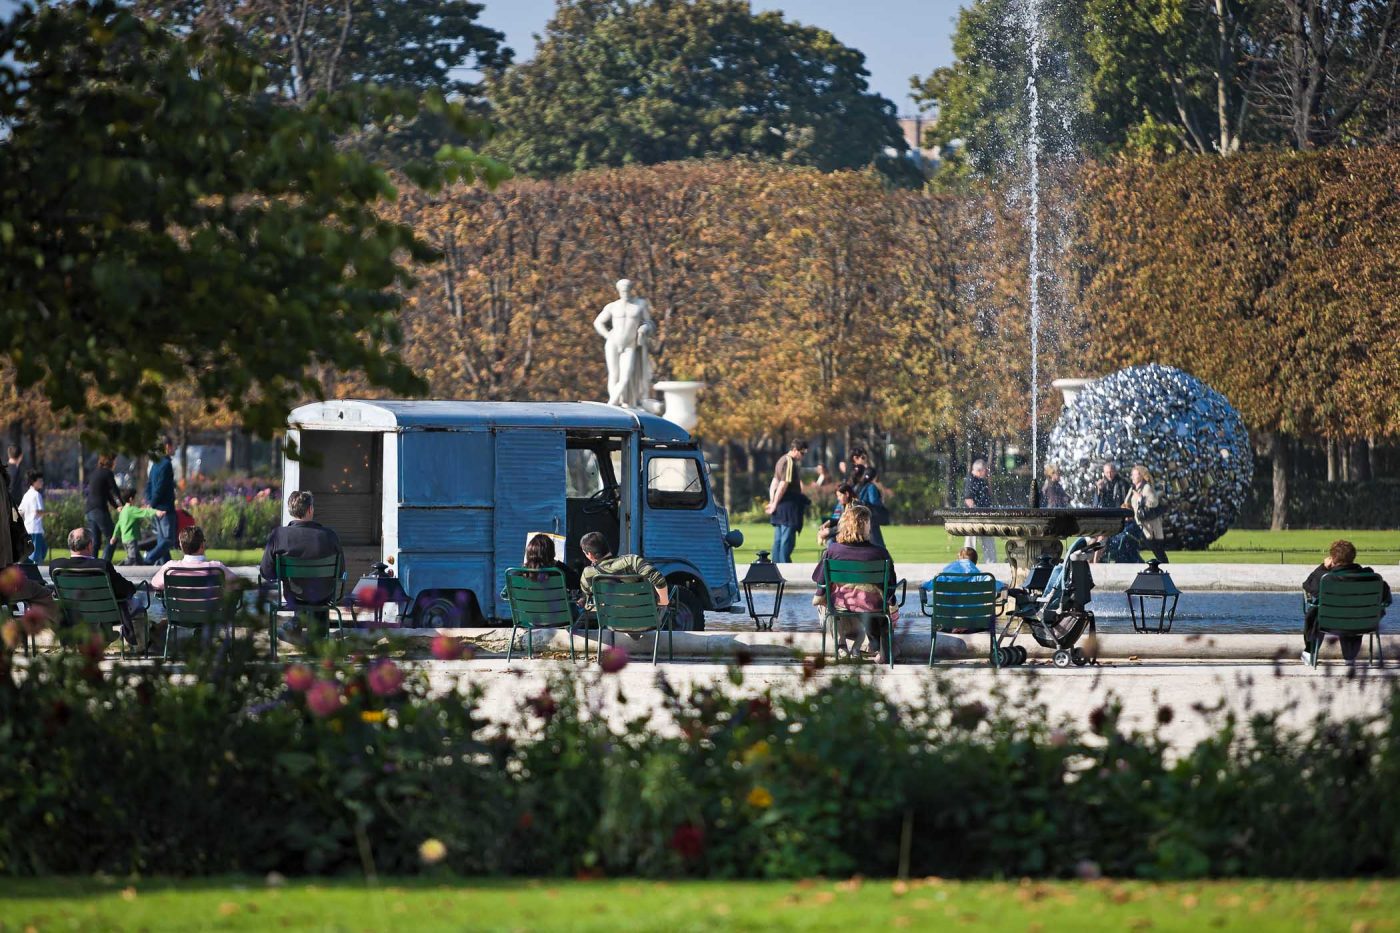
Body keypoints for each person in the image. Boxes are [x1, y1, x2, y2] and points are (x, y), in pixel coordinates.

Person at [812, 504, 899, 660]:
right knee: (869, 599)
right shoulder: (880, 553)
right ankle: (862, 645)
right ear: (865, 525)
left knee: (823, 602)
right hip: (872, 608)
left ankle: (841, 645)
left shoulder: (832, 551)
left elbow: (819, 581)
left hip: (841, 607)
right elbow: (891, 585)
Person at [260, 491, 345, 631]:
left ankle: (297, 623)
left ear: (290, 511)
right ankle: (318, 635)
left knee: (300, 589)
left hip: (294, 595)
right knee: (317, 592)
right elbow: (341, 572)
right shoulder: (330, 535)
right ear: (310, 509)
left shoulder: (278, 535)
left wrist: (283, 577)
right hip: (323, 596)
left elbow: (266, 572)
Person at [1301, 540, 1392, 666]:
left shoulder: (1327, 579)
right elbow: (1387, 600)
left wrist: (1323, 567)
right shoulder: (1372, 578)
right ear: (1353, 557)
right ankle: (1349, 657)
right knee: (1354, 611)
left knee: (1316, 610)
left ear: (1332, 558)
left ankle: (1310, 652)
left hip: (1329, 622)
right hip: (1363, 623)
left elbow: (1308, 586)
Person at [50, 527, 142, 646]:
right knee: (138, 604)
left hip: (73, 615)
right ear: (90, 545)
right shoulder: (102, 566)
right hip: (106, 615)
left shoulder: (56, 567)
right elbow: (124, 589)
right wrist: (132, 588)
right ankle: (139, 647)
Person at [577, 531, 669, 615]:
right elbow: (658, 578)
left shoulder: (588, 573)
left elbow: (586, 597)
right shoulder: (631, 561)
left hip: (612, 623)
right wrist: (664, 601)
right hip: (645, 621)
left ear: (589, 554)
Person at [764, 439, 810, 563]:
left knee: (778, 540)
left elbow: (774, 482)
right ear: (794, 450)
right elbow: (783, 484)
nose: (803, 456)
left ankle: (775, 569)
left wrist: (773, 501)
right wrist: (773, 503)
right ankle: (785, 569)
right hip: (788, 506)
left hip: (780, 506)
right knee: (787, 540)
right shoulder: (789, 461)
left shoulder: (781, 460)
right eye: (802, 453)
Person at [151, 525, 238, 590]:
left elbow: (155, 584)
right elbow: (237, 583)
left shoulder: (170, 568)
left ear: (181, 546)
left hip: (180, 613)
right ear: (202, 545)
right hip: (211, 613)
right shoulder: (217, 568)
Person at [1123, 464, 1168, 564]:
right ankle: (1137, 564)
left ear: (1140, 476)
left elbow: (1154, 502)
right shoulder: (1133, 489)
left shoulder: (1146, 488)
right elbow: (1128, 503)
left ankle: (1165, 568)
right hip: (1137, 523)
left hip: (1149, 526)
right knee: (1129, 544)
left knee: (1157, 550)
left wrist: (1141, 499)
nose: (1132, 477)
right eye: (1132, 475)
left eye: (1134, 475)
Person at [144, 437, 177, 565]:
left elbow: (149, 484)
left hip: (156, 506)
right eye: (173, 446)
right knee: (168, 540)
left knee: (161, 539)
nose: (174, 449)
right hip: (165, 507)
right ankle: (148, 559)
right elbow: (161, 487)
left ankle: (167, 566)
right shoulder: (166, 464)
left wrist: (150, 502)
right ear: (167, 446)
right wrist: (152, 503)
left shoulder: (155, 463)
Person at [1090, 461, 1130, 562]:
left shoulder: (1122, 483)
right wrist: (1099, 491)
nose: (1109, 474)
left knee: (1102, 536)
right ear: (1103, 473)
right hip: (1105, 518)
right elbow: (1096, 505)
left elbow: (1126, 502)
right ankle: (1090, 562)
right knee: (1093, 540)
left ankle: (1095, 562)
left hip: (1117, 518)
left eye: (1111, 472)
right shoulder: (1102, 484)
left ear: (1115, 471)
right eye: (1107, 472)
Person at [85, 453, 121, 563]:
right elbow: (115, 491)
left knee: (96, 542)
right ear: (111, 462)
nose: (116, 463)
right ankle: (105, 565)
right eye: (115, 461)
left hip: (89, 510)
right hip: (99, 510)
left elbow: (107, 494)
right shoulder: (107, 473)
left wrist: (117, 507)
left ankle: (92, 566)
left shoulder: (95, 472)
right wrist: (124, 504)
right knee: (112, 537)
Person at [112, 490, 164, 566]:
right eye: (135, 498)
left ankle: (144, 572)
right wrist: (156, 512)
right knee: (132, 559)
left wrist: (114, 536)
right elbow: (145, 512)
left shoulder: (123, 511)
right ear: (131, 499)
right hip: (131, 539)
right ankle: (117, 568)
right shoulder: (131, 510)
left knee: (139, 560)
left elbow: (118, 525)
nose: (136, 499)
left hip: (125, 540)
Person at [961, 458, 996, 562]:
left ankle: (991, 563)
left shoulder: (980, 480)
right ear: (980, 470)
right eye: (985, 470)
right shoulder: (970, 480)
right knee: (971, 542)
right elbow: (968, 500)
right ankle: (967, 563)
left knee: (988, 541)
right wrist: (977, 513)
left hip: (983, 516)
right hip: (974, 517)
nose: (987, 472)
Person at [18, 470, 46, 564]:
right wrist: (51, 513)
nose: (42, 482)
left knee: (38, 551)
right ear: (34, 482)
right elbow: (38, 512)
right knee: (36, 555)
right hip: (35, 529)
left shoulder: (26, 495)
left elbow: (20, 510)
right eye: (40, 481)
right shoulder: (37, 495)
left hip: (28, 528)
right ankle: (32, 573)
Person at [817, 483, 856, 547]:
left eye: (840, 495)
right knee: (830, 542)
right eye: (837, 496)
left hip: (854, 539)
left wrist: (829, 531)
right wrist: (829, 522)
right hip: (847, 536)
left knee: (831, 542)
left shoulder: (855, 507)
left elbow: (847, 525)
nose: (838, 498)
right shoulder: (846, 505)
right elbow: (841, 520)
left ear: (847, 494)